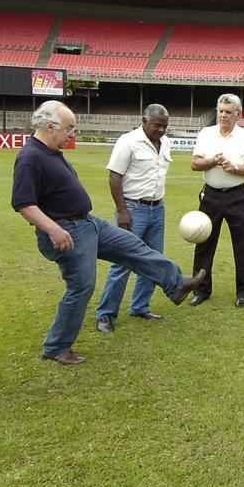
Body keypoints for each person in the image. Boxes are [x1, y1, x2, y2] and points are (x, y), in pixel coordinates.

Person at [11, 101, 204, 365]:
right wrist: (53, 229)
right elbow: (23, 203)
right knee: (82, 286)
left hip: (87, 223)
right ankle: (57, 346)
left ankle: (176, 283)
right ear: (49, 126)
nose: (72, 134)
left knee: (134, 249)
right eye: (69, 128)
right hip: (66, 230)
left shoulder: (51, 152)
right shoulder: (30, 157)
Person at [95, 104, 173, 332]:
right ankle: (106, 315)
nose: (161, 130)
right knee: (123, 262)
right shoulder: (128, 141)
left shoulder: (166, 142)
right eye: (157, 125)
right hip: (133, 208)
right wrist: (122, 210)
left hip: (157, 208)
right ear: (144, 120)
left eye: (165, 126)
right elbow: (114, 176)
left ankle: (140, 306)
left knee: (153, 259)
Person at [189, 93, 244, 307]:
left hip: (237, 195)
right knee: (204, 243)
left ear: (238, 114)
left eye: (228, 112)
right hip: (210, 194)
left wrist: (235, 168)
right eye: (220, 111)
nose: (223, 115)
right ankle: (201, 289)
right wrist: (211, 162)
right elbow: (194, 163)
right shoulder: (206, 133)